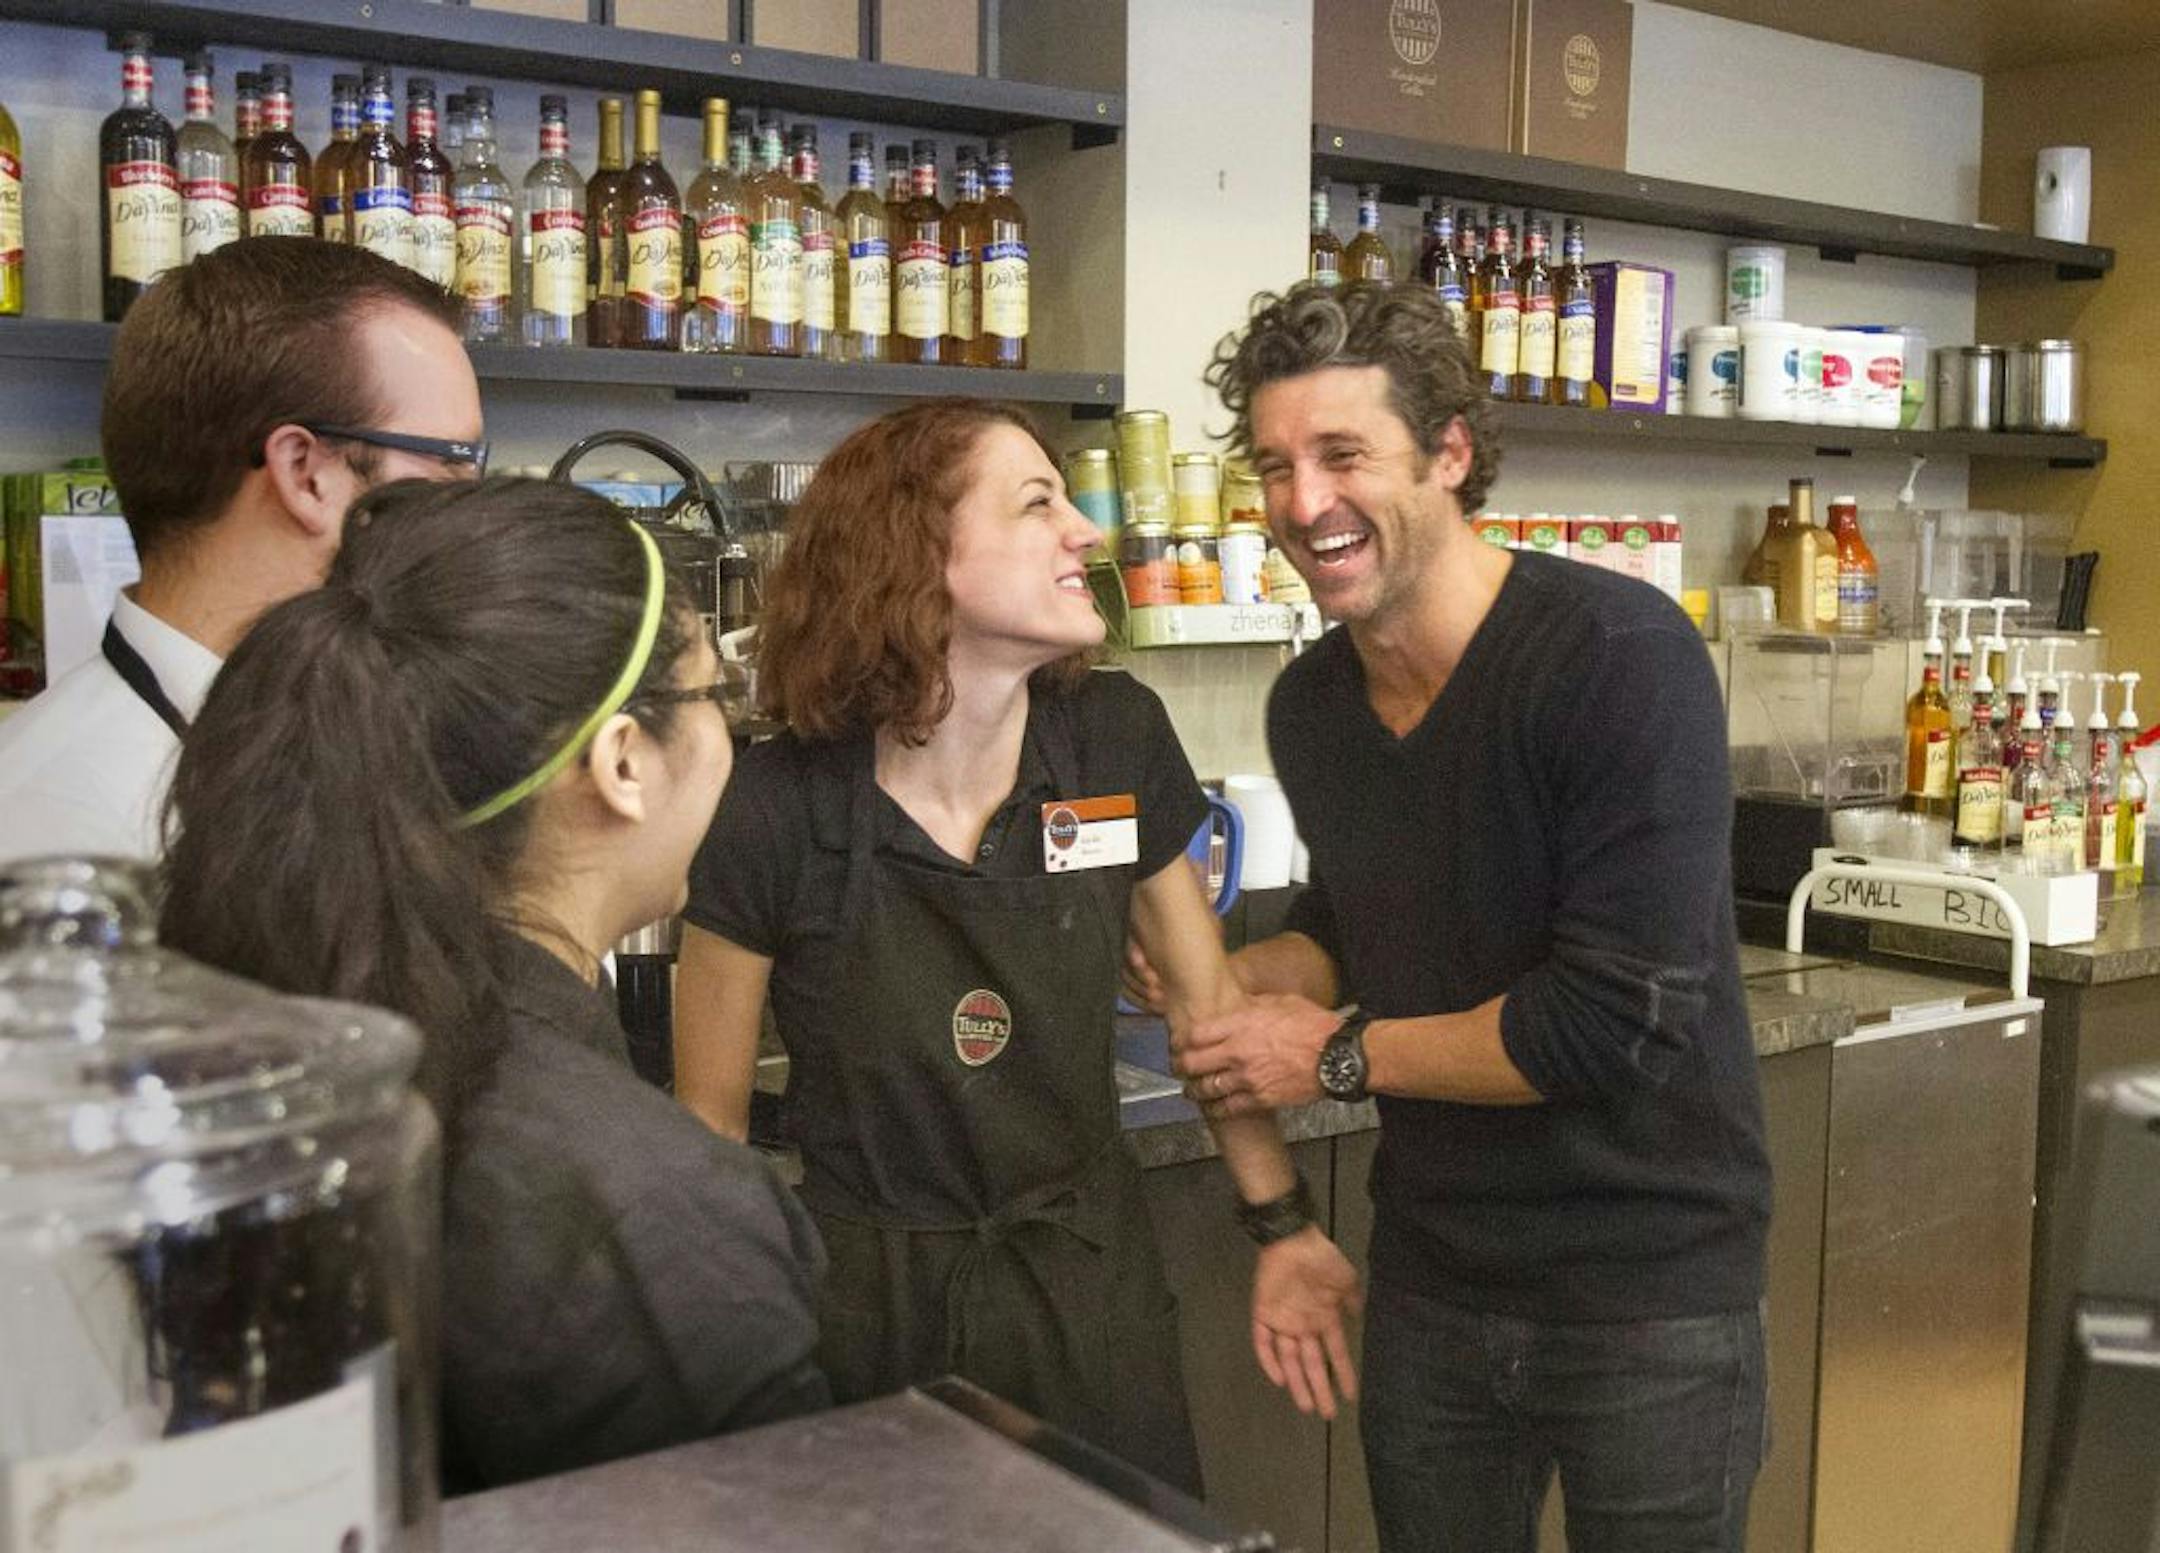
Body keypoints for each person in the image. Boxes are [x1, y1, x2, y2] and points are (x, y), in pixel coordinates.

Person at [1171, 282, 1774, 1552]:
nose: (1303, 503)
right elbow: (1361, 913)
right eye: (1275, 466)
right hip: (1437, 1283)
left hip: (1648, 1295)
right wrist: (1219, 972)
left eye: (1344, 455)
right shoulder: (1314, 706)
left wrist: (1326, 1050)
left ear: (1450, 453)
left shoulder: (1616, 656)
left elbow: (1612, 1021)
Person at [672, 399, 1360, 1494]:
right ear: (917, 552)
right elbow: (706, 1125)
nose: (1085, 531)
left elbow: (1205, 1010)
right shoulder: (773, 803)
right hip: (868, 1309)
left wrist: (1283, 1226)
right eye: (1039, 503)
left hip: (1087, 1291)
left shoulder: (1112, 738)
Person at [157, 477, 829, 1492]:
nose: (726, 737)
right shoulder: (652, 1208)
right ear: (621, 762)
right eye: (709, 698)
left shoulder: (290, 1034)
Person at [0, 238, 482, 865]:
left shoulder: (338, 735)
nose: (470, 502)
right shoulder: (61, 832)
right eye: (451, 461)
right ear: (305, 472)